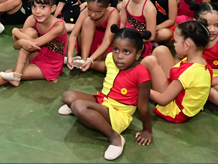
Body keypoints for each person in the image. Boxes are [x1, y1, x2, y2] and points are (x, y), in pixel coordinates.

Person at [60, 26, 153, 160]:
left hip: (118, 114)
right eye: (116, 50)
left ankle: (115, 138)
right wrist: (85, 63)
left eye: (126, 52)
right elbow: (103, 66)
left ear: (138, 54)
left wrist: (147, 130)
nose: (119, 56)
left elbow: (143, 105)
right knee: (67, 96)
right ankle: (89, 114)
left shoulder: (141, 73)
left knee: (78, 106)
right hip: (103, 100)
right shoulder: (111, 58)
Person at [142, 21, 212, 123]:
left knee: (150, 61)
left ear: (187, 46)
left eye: (176, 42)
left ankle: (131, 80)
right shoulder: (199, 60)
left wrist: (141, 87)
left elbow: (163, 99)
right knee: (161, 50)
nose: (174, 45)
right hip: (179, 92)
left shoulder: (188, 73)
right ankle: (137, 76)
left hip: (175, 109)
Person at [191, 2, 218, 108]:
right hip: (192, 72)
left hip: (214, 77)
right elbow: (179, 57)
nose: (211, 30)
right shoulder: (191, 36)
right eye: (206, 25)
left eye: (217, 25)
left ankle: (194, 91)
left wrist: (203, 83)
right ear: (195, 23)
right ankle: (194, 90)